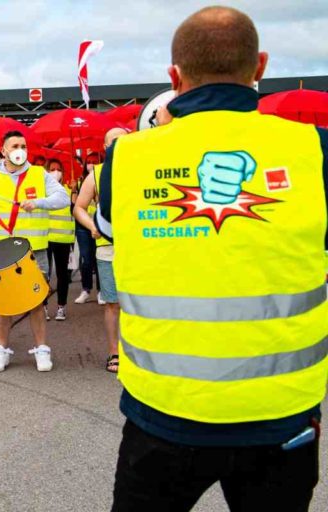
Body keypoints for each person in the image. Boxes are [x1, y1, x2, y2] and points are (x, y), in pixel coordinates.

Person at [96, 7, 328, 511]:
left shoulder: (128, 158)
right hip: (281, 417)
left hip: (163, 415)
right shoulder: (315, 150)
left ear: (173, 76)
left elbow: (112, 230)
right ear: (260, 66)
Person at [0, 131, 69, 372]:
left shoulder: (39, 173)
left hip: (35, 251)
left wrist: (39, 203)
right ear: (3, 150)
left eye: (23, 145)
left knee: (36, 302)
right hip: (2, 253)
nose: (20, 149)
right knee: (3, 304)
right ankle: (0, 350)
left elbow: (63, 198)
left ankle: (42, 350)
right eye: (15, 145)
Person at [74, 128, 127, 373]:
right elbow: (79, 207)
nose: (120, 144)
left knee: (139, 303)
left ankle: (137, 351)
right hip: (108, 248)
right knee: (112, 303)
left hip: (139, 247)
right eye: (114, 140)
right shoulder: (96, 174)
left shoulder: (140, 169)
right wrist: (92, 225)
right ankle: (114, 352)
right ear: (105, 145)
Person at [46, 158, 75, 321]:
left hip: (64, 239)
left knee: (62, 275)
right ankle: (43, 307)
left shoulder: (69, 191)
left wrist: (74, 194)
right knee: (44, 275)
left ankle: (61, 307)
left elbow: (76, 211)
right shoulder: (43, 191)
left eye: (58, 169)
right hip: (45, 238)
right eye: (52, 169)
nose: (55, 172)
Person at [72, 157, 103, 305]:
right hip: (83, 227)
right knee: (86, 260)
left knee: (100, 259)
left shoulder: (103, 179)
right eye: (89, 161)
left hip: (100, 225)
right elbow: (74, 204)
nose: (92, 164)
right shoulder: (79, 181)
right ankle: (86, 289)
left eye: (95, 161)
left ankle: (101, 291)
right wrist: (73, 189)